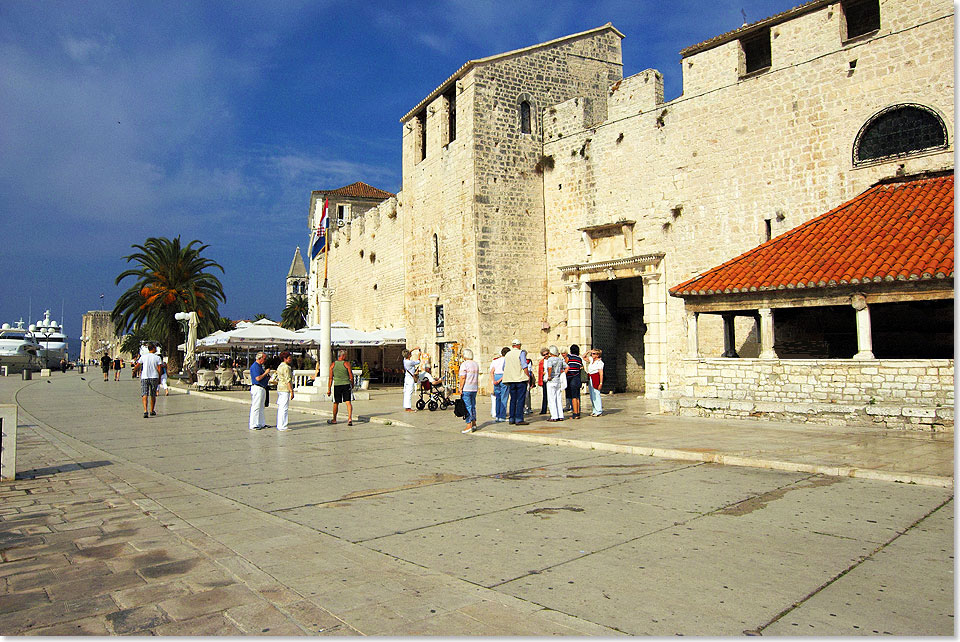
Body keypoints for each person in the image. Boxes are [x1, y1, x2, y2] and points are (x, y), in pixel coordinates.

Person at [502, 339, 530, 426]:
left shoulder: (507, 354)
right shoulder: (520, 353)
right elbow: (524, 365)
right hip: (520, 379)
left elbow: (504, 367)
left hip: (511, 380)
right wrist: (528, 376)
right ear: (519, 345)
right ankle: (519, 418)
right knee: (521, 399)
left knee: (513, 399)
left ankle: (512, 418)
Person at [136, 343, 164, 418]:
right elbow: (159, 369)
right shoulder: (157, 358)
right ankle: (152, 410)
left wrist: (134, 371)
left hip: (144, 377)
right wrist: (159, 378)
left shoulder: (143, 357)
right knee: (153, 394)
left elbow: (137, 365)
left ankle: (145, 411)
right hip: (154, 377)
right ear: (153, 348)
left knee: (144, 394)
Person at [327, 349, 353, 425]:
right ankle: (349, 419)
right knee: (348, 402)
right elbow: (351, 375)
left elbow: (331, 378)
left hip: (337, 385)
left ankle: (334, 419)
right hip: (346, 384)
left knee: (336, 402)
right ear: (343, 356)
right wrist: (352, 383)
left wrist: (329, 389)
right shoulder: (346, 364)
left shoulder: (333, 365)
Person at [457, 348, 479, 433]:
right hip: (474, 388)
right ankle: (474, 423)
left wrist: (460, 388)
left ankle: (468, 424)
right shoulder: (476, 364)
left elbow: (463, 377)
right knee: (473, 406)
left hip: (467, 388)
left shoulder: (464, 364)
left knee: (467, 406)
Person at [249, 352, 272, 430]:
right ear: (260, 358)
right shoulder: (255, 366)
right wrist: (265, 373)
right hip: (257, 387)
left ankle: (261, 423)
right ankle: (253, 424)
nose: (265, 360)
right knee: (256, 406)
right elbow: (258, 378)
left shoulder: (260, 366)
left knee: (261, 406)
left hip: (262, 387)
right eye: (264, 358)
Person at [544, 345, 567, 421]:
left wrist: (549, 376)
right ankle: (560, 415)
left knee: (551, 398)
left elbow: (550, 368)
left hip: (551, 381)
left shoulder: (550, 360)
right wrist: (562, 374)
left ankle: (554, 416)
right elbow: (567, 367)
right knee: (558, 398)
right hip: (558, 380)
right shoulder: (560, 360)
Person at [275, 351, 294, 431]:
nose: (290, 359)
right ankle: (283, 425)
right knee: (284, 407)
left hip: (280, 387)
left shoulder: (280, 366)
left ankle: (280, 424)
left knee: (281, 407)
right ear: (285, 358)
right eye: (289, 358)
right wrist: (291, 391)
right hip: (285, 388)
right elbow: (288, 380)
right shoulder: (286, 367)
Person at [489, 347, 508, 422]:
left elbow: (492, 371)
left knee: (498, 397)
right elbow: (506, 371)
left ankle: (497, 415)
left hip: (496, 376)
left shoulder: (496, 361)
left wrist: (494, 380)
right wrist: (500, 379)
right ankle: (502, 416)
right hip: (503, 377)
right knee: (504, 397)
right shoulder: (506, 361)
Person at [566, 344, 584, 419]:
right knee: (577, 397)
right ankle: (578, 413)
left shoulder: (569, 357)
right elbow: (580, 367)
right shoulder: (579, 359)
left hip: (571, 378)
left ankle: (575, 414)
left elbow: (565, 365)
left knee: (573, 397)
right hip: (577, 378)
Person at [586, 348, 605, 416]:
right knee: (592, 395)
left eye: (594, 353)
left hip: (596, 377)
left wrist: (600, 383)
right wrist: (588, 351)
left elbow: (601, 373)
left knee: (596, 394)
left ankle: (599, 411)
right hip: (590, 377)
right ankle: (594, 409)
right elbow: (584, 357)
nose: (592, 354)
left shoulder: (600, 363)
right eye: (592, 353)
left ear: (597, 355)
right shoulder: (591, 360)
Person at [537, 347, 549, 414]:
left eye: (547, 354)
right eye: (544, 354)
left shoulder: (551, 360)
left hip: (551, 379)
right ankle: (543, 409)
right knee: (545, 395)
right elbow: (540, 372)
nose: (546, 355)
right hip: (545, 379)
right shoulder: (542, 362)